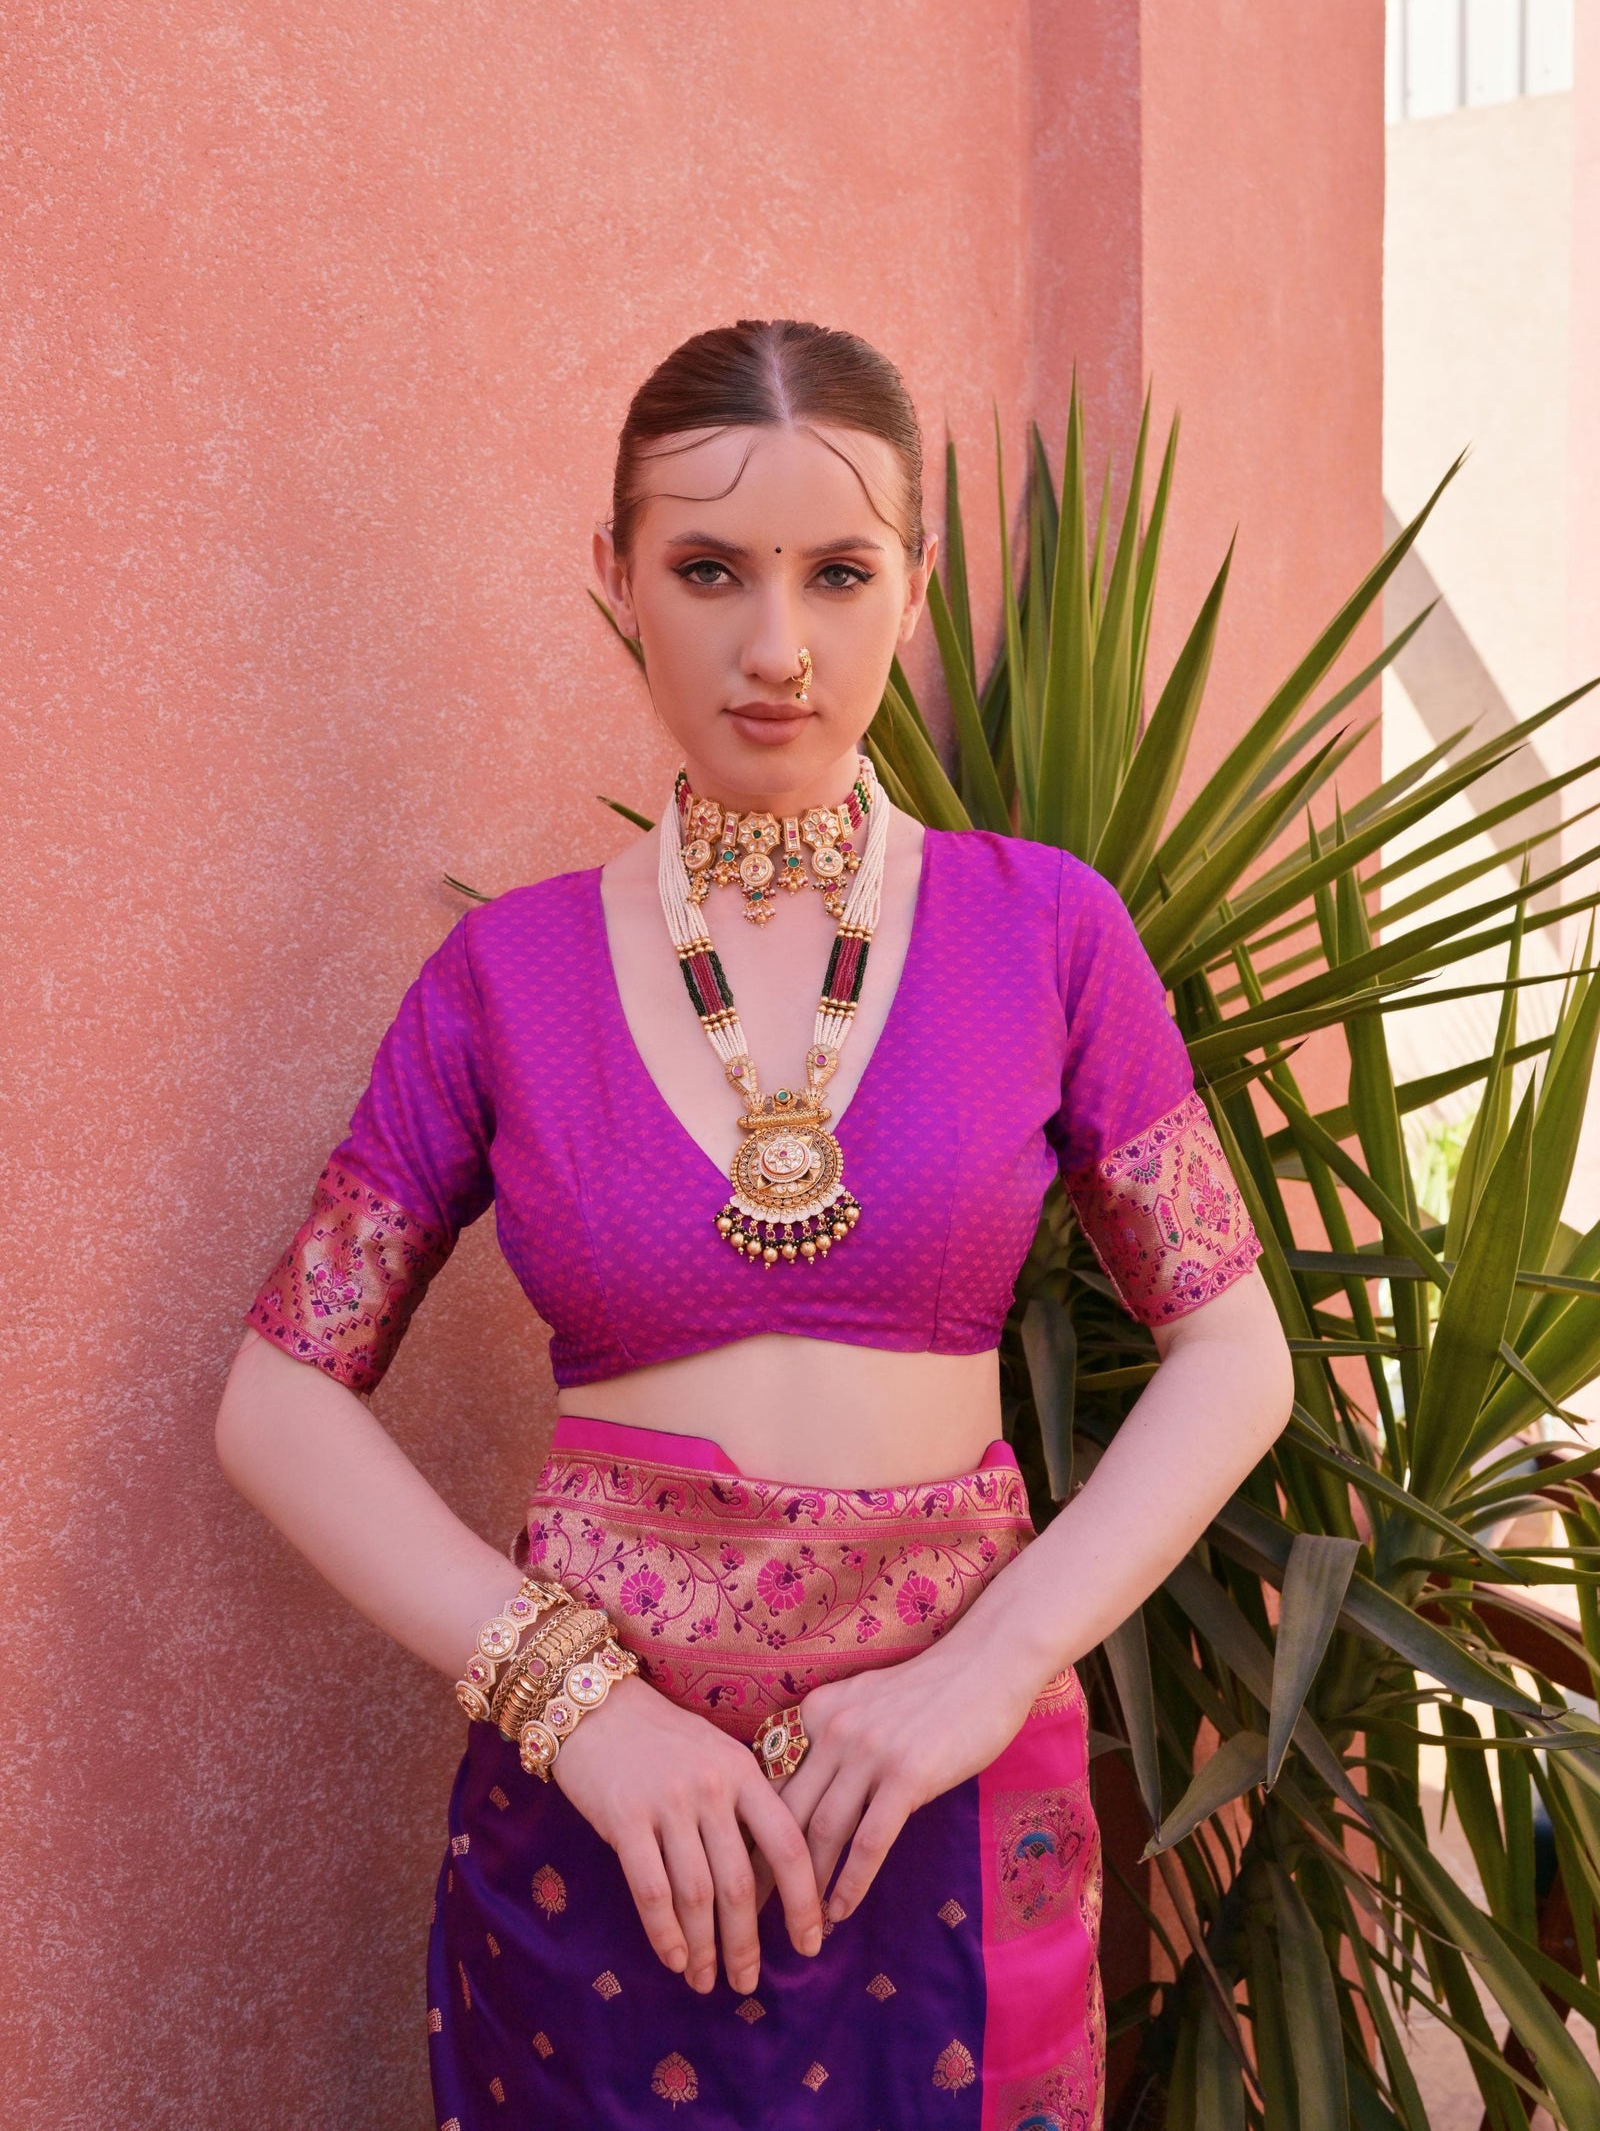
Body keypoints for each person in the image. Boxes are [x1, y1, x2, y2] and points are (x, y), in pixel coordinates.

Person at [215, 318, 1294, 2131]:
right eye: (709, 569)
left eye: (840, 571)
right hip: (603, 1832)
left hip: (950, 1794)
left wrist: (985, 1671)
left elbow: (1234, 1353)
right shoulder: (508, 975)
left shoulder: (1048, 936)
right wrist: (580, 1707)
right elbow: (277, 1399)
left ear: (915, 585)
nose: (778, 648)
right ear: (615, 574)